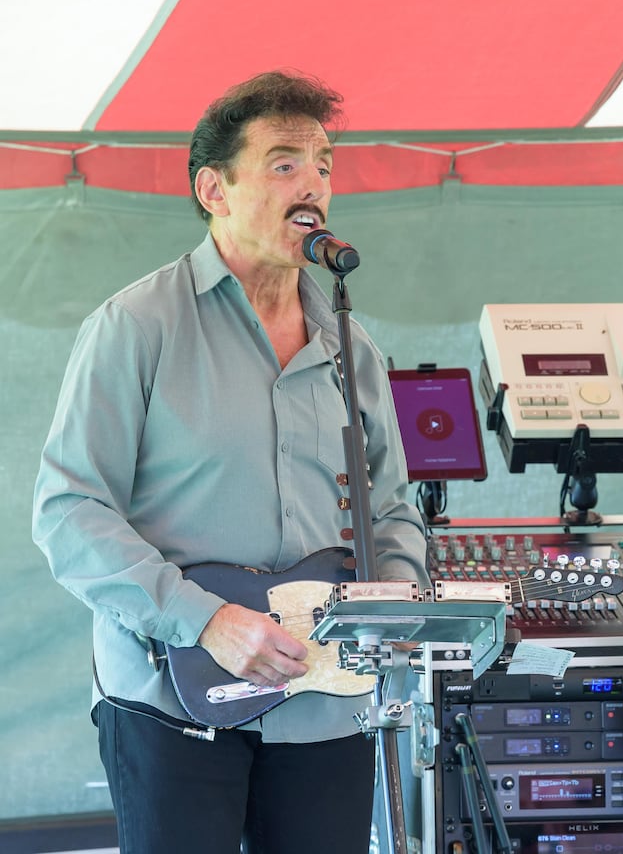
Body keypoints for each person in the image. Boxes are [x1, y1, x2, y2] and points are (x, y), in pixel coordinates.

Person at [32, 71, 429, 853]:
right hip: (173, 700)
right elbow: (69, 513)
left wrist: (401, 592)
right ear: (213, 188)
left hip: (326, 703)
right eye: (284, 163)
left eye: (322, 163)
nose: (312, 182)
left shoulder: (353, 345)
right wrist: (204, 620)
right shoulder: (134, 327)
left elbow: (391, 507)